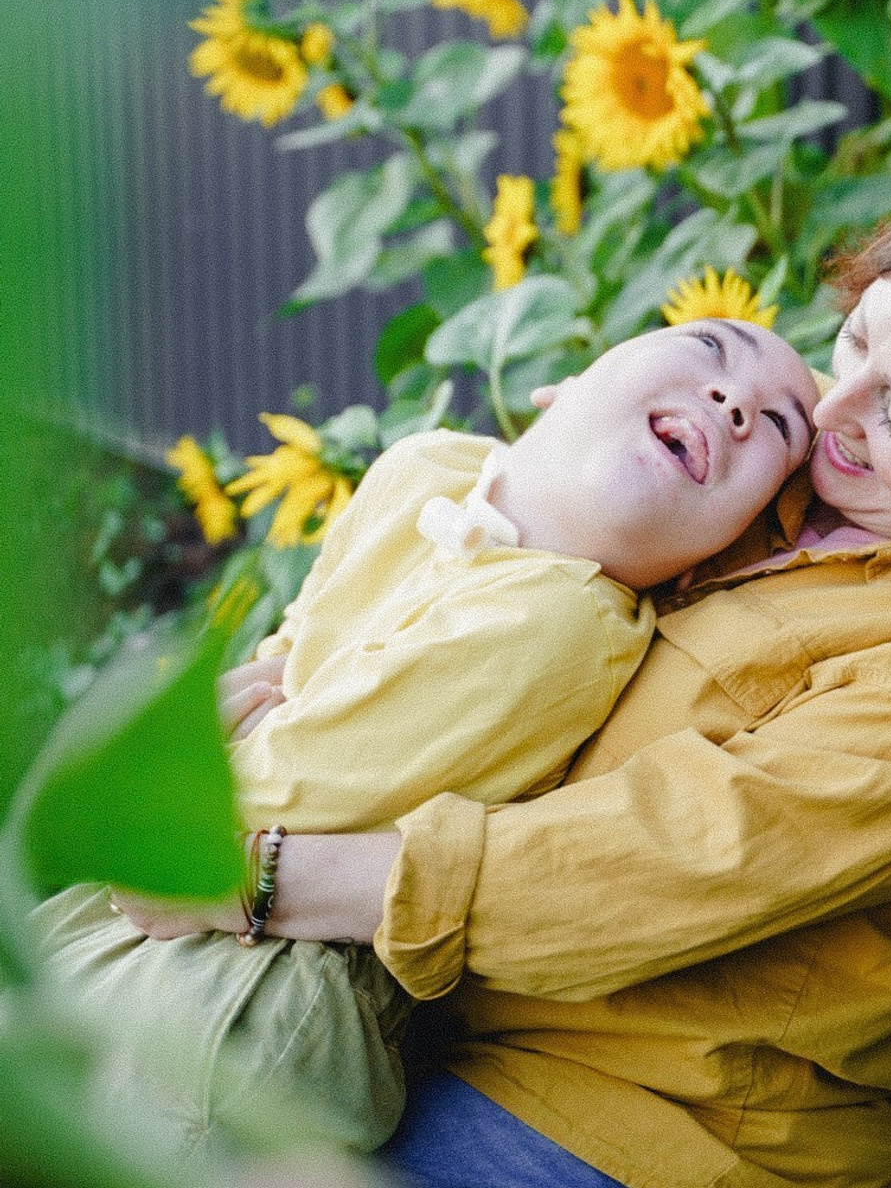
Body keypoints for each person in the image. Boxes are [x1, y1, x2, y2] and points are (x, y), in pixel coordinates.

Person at [117, 195, 891, 1188]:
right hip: (409, 1008)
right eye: (853, 337)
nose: (825, 401)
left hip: (633, 1118)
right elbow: (487, 549)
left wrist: (249, 876)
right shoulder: (791, 439)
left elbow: (656, 859)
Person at [32, 318, 821, 1161]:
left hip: (252, 997)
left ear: (706, 562)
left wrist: (173, 765)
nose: (735, 401)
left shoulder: (567, 621)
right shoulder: (426, 467)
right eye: (712, 348)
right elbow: (292, 650)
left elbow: (308, 786)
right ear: (567, 381)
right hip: (174, 897)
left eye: (778, 425)